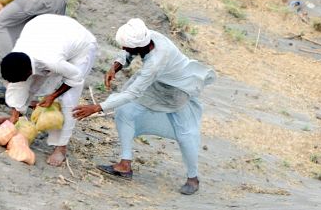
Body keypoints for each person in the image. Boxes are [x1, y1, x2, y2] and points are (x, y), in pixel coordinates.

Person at [73, 18, 216, 195]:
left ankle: (193, 178)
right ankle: (125, 164)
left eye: (126, 46)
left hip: (177, 91)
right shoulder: (148, 38)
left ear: (139, 46)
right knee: (125, 112)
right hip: (157, 84)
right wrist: (115, 66)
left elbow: (133, 93)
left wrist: (97, 107)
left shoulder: (155, 62)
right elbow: (128, 52)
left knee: (185, 132)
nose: (124, 49)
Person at [0, 14, 97, 166]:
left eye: (23, 77)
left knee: (68, 99)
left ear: (29, 71)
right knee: (24, 84)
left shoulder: (52, 60)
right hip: (46, 29)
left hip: (82, 45)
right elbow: (18, 85)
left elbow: (76, 78)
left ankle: (61, 147)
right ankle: (15, 119)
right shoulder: (18, 53)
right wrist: (14, 114)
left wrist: (53, 95)